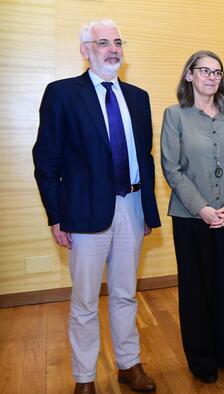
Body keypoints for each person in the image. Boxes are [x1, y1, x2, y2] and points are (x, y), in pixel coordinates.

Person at [32, 19, 160, 394]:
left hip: (131, 207)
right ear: (85, 50)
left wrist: (147, 211)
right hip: (84, 212)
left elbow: (145, 158)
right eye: (103, 42)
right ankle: (85, 377)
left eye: (118, 42)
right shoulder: (62, 94)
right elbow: (47, 159)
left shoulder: (138, 97)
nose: (113, 49)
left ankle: (128, 365)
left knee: (125, 293)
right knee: (85, 300)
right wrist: (56, 215)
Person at [161, 50, 224, 383]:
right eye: (205, 71)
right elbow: (172, 168)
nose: (212, 77)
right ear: (189, 75)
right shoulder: (175, 116)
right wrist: (202, 208)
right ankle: (202, 360)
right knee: (196, 289)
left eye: (218, 72)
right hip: (190, 218)